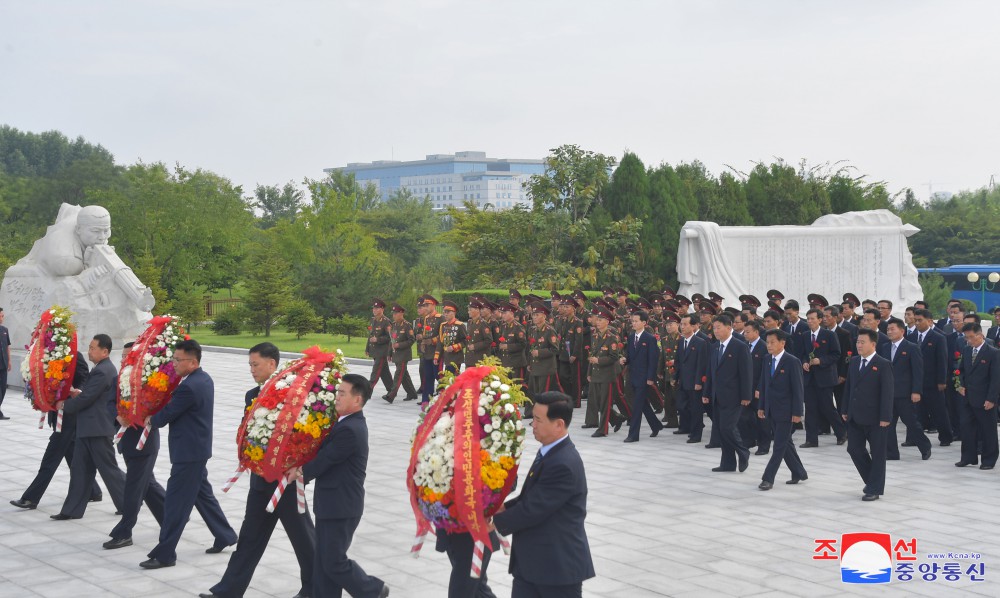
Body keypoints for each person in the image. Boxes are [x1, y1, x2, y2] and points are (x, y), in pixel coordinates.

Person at [201, 343, 316, 598]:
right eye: (250, 365)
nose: (252, 370)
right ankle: (228, 590)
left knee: (304, 540)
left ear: (272, 364)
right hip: (260, 481)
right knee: (249, 539)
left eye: (256, 365)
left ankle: (318, 588)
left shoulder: (293, 394)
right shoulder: (252, 394)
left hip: (284, 483)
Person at [288, 374, 388, 598]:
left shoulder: (350, 430)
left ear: (357, 399)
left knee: (333, 561)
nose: (337, 397)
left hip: (341, 506)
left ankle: (373, 589)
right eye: (337, 392)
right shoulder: (344, 423)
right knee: (324, 561)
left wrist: (300, 472)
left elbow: (326, 459)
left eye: (342, 393)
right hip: (331, 503)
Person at [141, 339, 237, 569]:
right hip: (196, 450)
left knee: (176, 504)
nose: (173, 363)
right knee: (202, 495)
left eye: (177, 360)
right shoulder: (203, 379)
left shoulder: (189, 386)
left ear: (193, 362)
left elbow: (166, 416)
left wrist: (150, 418)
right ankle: (225, 535)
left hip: (188, 453)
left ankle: (165, 554)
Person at [492, 392, 595, 597]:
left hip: (556, 569)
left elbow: (534, 508)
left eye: (538, 420)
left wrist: (494, 521)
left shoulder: (563, 463)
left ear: (558, 424)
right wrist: (501, 507)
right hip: (533, 565)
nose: (533, 425)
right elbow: (531, 497)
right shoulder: (550, 451)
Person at [10, 352, 102, 509]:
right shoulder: (47, 356)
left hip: (68, 417)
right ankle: (93, 490)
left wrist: (75, 391)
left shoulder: (74, 356)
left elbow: (84, 379)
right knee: (72, 456)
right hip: (57, 414)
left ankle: (31, 498)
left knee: (50, 459)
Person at [51, 334, 126, 520]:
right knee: (80, 470)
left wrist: (65, 405)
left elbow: (88, 398)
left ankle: (129, 501)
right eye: (90, 347)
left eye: (93, 348)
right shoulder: (101, 368)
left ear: (105, 351)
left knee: (109, 470)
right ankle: (71, 510)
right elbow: (91, 395)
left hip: (98, 429)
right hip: (88, 428)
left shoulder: (103, 370)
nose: (89, 351)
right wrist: (78, 394)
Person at [105, 341, 166, 548]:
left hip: (144, 444)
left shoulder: (150, 384)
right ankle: (172, 518)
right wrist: (118, 416)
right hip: (125, 442)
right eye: (122, 356)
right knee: (147, 485)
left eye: (127, 356)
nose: (123, 360)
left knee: (133, 489)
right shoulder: (118, 379)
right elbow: (109, 404)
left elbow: (159, 408)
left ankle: (124, 532)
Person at [841, 329, 894, 502]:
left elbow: (887, 392)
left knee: (878, 453)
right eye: (857, 342)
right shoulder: (855, 362)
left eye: (862, 342)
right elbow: (849, 387)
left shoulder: (883, 364)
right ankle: (872, 481)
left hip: (876, 417)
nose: (859, 345)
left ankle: (874, 489)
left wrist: (885, 417)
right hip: (855, 415)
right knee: (854, 449)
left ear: (873, 344)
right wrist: (844, 409)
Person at [756, 329, 808, 491]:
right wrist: (762, 406)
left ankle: (768, 478)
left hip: (787, 411)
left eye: (772, 342)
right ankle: (799, 472)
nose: (769, 346)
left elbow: (798, 389)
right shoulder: (767, 359)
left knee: (778, 445)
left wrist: (798, 413)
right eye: (768, 342)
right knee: (786, 444)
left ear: (782, 343)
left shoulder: (792, 361)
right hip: (771, 409)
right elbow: (764, 384)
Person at [702, 314, 752, 472]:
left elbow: (746, 373)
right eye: (714, 328)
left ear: (729, 328)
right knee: (721, 429)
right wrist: (706, 392)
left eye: (719, 328)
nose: (715, 331)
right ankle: (728, 463)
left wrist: (746, 396)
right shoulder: (715, 346)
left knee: (727, 427)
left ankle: (743, 451)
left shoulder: (740, 346)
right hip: (717, 395)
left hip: (734, 395)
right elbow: (710, 372)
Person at [881, 319, 931, 462]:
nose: (889, 332)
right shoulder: (884, 347)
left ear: (902, 331)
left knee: (911, 422)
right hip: (888, 393)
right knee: (888, 423)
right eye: (888, 329)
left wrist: (916, 391)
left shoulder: (911, 347)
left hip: (905, 393)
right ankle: (891, 453)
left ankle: (925, 446)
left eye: (892, 329)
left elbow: (918, 371)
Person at [799, 309, 846, 448]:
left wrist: (821, 360)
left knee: (827, 407)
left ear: (820, 320)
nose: (810, 321)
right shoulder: (805, 335)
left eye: (812, 318)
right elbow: (801, 353)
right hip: (809, 378)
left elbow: (836, 354)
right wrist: (804, 362)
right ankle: (811, 439)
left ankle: (841, 433)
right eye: (808, 319)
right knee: (810, 408)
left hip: (824, 377)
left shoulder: (829, 335)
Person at [955, 323, 1000, 470]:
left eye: (971, 337)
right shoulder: (967, 350)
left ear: (980, 335)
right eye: (966, 338)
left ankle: (988, 459)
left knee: (988, 430)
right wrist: (961, 384)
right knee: (967, 428)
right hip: (968, 397)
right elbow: (961, 371)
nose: (968, 340)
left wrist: (991, 399)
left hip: (985, 398)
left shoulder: (993, 353)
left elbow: (996, 379)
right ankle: (968, 457)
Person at [909, 309, 953, 446]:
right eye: (915, 320)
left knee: (939, 411)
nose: (917, 323)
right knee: (915, 412)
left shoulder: (938, 337)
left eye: (920, 320)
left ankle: (946, 436)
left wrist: (941, 380)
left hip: (933, 382)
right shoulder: (910, 337)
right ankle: (913, 438)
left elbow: (942, 360)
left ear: (929, 321)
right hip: (916, 382)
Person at [621, 310, 663, 443]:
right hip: (632, 376)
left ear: (644, 323)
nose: (633, 323)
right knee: (643, 404)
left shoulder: (650, 339)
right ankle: (656, 425)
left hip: (644, 378)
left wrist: (651, 378)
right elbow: (630, 356)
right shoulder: (632, 336)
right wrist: (624, 360)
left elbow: (653, 360)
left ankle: (633, 435)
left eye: (636, 321)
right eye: (632, 321)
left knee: (637, 406)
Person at [585, 307, 625, 437]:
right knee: (596, 402)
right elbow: (592, 355)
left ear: (607, 322)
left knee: (604, 402)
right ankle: (616, 417)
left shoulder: (611, 338)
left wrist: (599, 360)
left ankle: (603, 429)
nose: (598, 321)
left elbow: (614, 357)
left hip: (607, 375)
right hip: (596, 373)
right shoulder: (595, 336)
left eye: (601, 320)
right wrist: (589, 373)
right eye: (598, 319)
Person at [675, 314, 708, 443]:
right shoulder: (681, 341)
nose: (682, 327)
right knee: (681, 406)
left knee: (696, 409)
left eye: (685, 324)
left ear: (693, 326)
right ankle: (687, 427)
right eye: (681, 324)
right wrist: (676, 377)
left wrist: (699, 381)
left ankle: (696, 434)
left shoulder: (700, 342)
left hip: (695, 382)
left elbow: (702, 364)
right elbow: (678, 362)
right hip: (683, 380)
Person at [384, 303, 418, 403]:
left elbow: (411, 340)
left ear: (401, 313)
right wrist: (389, 353)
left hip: (404, 355)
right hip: (396, 355)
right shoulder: (393, 325)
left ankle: (391, 395)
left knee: (398, 374)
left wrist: (399, 345)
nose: (393, 315)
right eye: (393, 313)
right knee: (404, 375)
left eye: (395, 313)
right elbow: (392, 340)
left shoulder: (407, 325)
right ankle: (412, 393)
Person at [366, 299, 394, 401]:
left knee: (375, 372)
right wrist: (367, 348)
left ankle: (367, 392)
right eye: (374, 308)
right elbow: (370, 336)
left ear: (382, 309)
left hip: (382, 352)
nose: (374, 310)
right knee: (384, 372)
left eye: (377, 308)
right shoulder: (373, 320)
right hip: (375, 350)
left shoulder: (386, 322)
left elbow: (390, 337)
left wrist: (378, 339)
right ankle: (392, 391)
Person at [0, 307, 10, 420]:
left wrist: (9, 361)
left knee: (3, 389)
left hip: (3, 364)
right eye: (1, 316)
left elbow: (7, 346)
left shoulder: (4, 330)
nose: (2, 318)